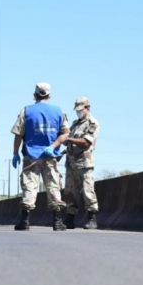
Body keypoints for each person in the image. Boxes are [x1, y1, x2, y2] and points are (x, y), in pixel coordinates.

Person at [10, 82, 70, 231]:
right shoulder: (59, 111)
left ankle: (25, 221)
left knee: (30, 185)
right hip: (50, 156)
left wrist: (15, 153)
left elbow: (19, 133)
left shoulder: (27, 111)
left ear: (35, 95)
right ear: (49, 95)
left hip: (31, 155)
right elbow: (65, 133)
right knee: (53, 185)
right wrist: (54, 146)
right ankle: (57, 221)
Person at [64, 96, 101, 229]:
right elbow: (68, 141)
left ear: (87, 108)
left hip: (84, 163)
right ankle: (69, 218)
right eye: (77, 110)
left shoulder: (92, 123)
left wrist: (70, 139)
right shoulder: (74, 124)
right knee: (70, 192)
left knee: (87, 190)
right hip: (71, 163)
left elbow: (86, 141)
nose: (79, 112)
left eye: (81, 110)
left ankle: (92, 218)